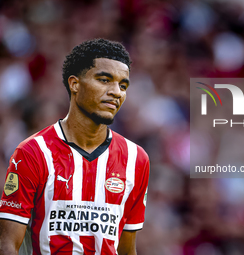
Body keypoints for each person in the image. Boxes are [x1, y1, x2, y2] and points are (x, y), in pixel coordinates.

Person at [0, 38, 150, 255]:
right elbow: (6, 245)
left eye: (123, 85)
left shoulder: (137, 158)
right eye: (105, 80)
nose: (116, 92)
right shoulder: (33, 152)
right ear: (75, 84)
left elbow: (127, 249)